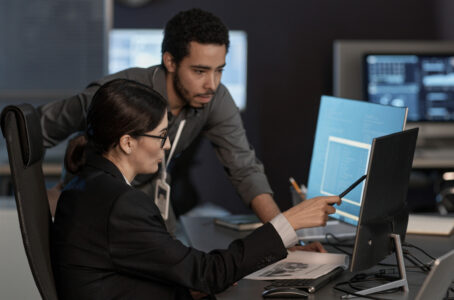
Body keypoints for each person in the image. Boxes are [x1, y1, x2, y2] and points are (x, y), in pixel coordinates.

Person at [52, 78, 341, 299]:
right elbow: (207, 275)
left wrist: (196, 278)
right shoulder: (121, 204)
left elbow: (179, 267)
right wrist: (290, 221)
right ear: (127, 142)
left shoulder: (86, 184)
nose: (166, 146)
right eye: (161, 136)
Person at [39, 8, 283, 226]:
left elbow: (244, 168)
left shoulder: (215, 98)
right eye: (199, 71)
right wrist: (34, 203)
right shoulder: (119, 93)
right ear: (170, 61)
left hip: (148, 202)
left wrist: (286, 238)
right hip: (94, 205)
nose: (212, 84)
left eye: (219, 70)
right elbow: (36, 129)